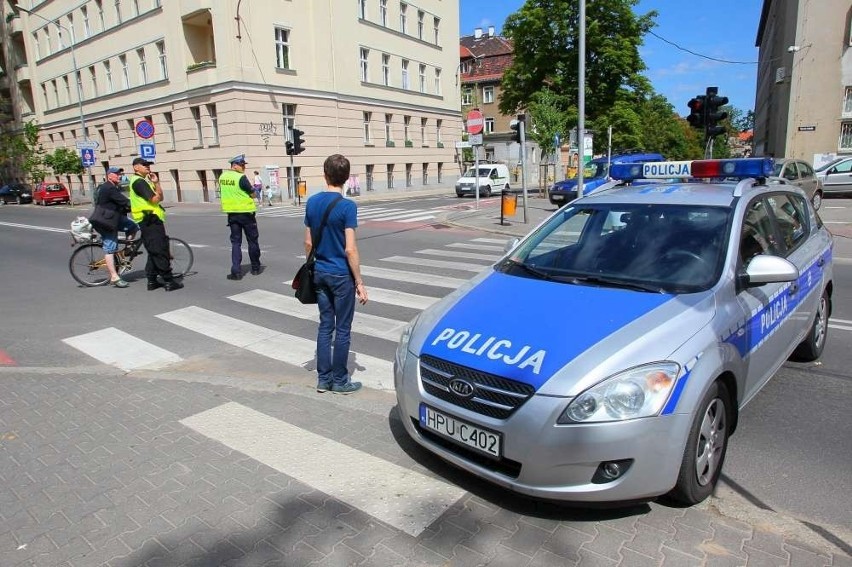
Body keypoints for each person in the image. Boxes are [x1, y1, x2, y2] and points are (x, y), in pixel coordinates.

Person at [304, 154, 368, 394]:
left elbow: (308, 243)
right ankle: (340, 381)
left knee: (325, 326)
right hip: (341, 275)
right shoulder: (347, 206)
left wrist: (313, 263)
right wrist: (359, 282)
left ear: (325, 175)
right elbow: (350, 248)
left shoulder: (312, 203)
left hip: (320, 272)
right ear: (346, 179)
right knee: (342, 329)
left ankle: (323, 380)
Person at [128, 157, 183, 291]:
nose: (148, 166)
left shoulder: (145, 180)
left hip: (150, 219)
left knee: (153, 249)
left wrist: (156, 183)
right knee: (160, 250)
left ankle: (152, 280)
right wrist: (156, 192)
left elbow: (160, 197)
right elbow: (154, 199)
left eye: (148, 164)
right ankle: (168, 280)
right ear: (136, 167)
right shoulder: (139, 182)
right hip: (149, 219)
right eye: (144, 164)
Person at [219, 154, 262, 280]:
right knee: (252, 241)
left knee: (236, 243)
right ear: (234, 165)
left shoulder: (222, 177)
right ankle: (255, 267)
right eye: (242, 165)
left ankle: (236, 271)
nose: (244, 167)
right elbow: (253, 194)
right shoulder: (241, 178)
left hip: (232, 214)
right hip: (246, 213)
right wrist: (254, 193)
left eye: (244, 165)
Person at [95, 167, 138, 288]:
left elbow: (120, 204)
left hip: (114, 218)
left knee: (133, 226)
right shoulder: (108, 188)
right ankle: (114, 277)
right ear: (109, 176)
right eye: (117, 174)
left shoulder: (113, 187)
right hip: (106, 221)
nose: (120, 176)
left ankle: (128, 249)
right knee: (110, 248)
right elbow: (124, 202)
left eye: (120, 174)